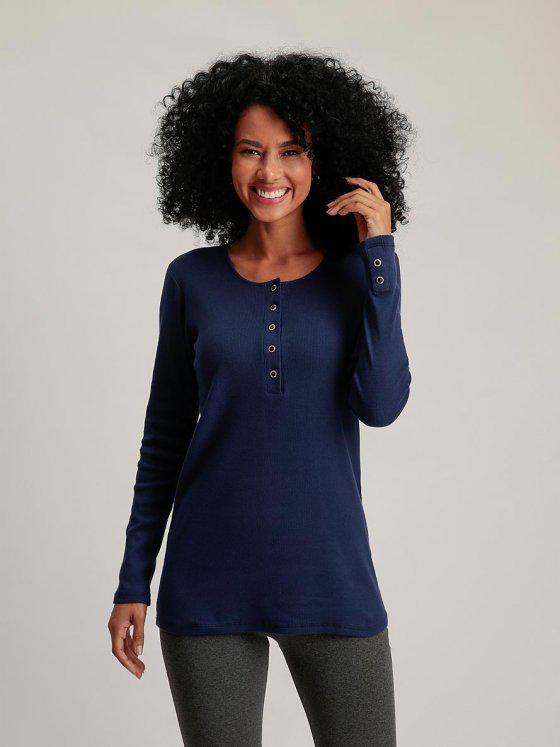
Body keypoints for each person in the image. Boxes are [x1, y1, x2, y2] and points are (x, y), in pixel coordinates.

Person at [108, 51, 414, 746]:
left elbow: (381, 403)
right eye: (251, 150)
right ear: (223, 159)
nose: (269, 171)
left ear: (321, 159)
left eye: (291, 150)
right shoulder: (192, 279)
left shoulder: (355, 276)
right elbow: (164, 437)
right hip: (206, 582)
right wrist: (133, 580)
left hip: (330, 579)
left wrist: (381, 256)